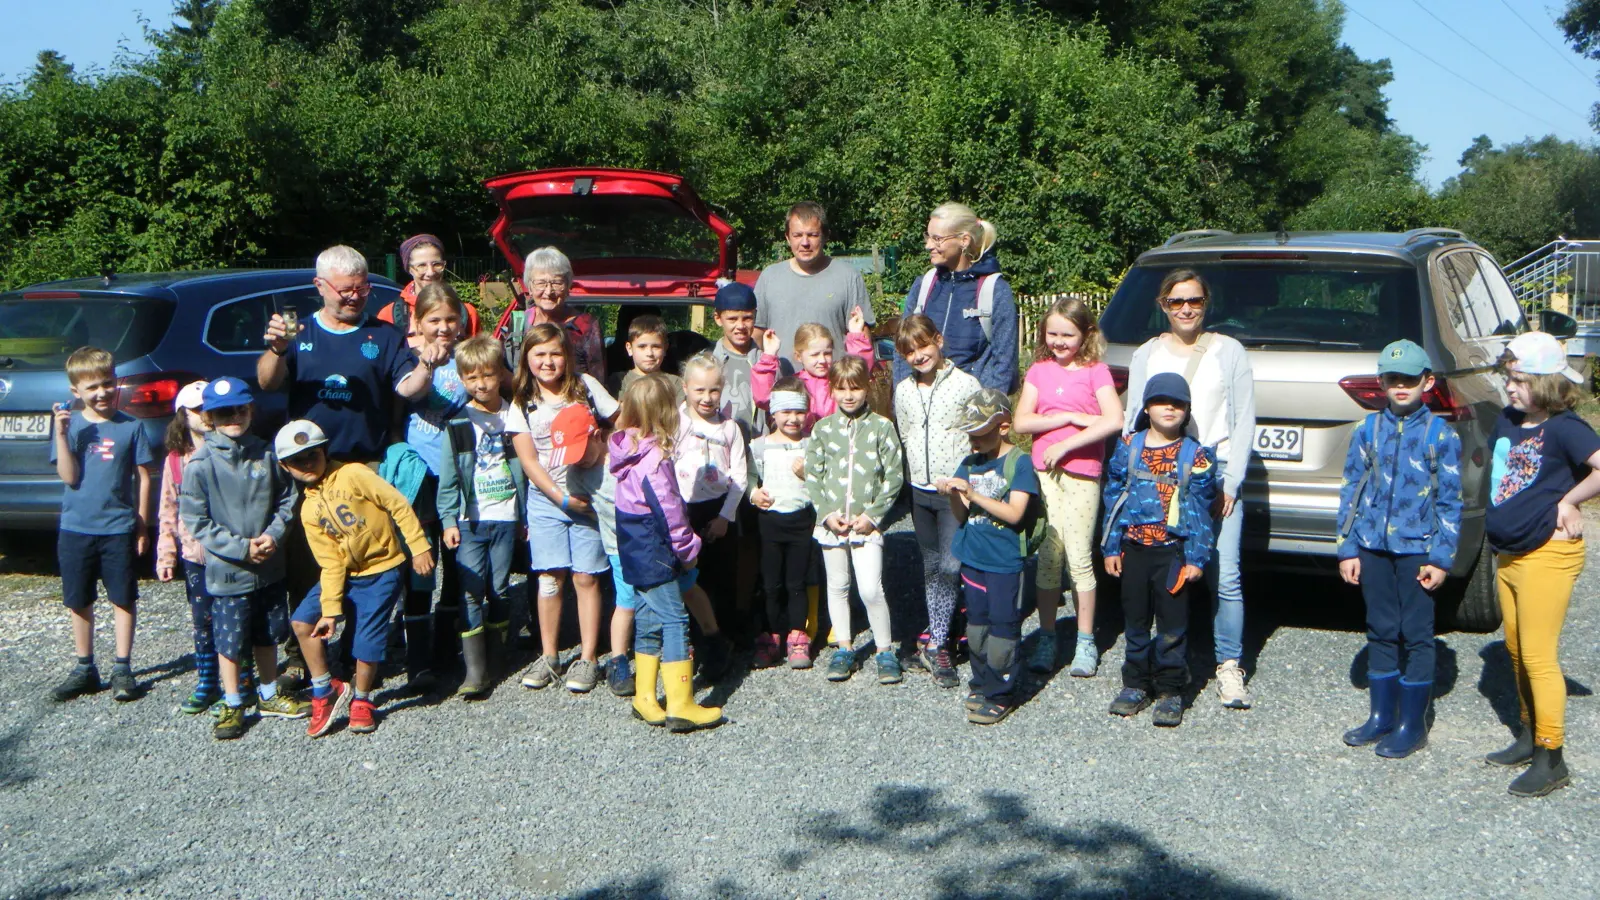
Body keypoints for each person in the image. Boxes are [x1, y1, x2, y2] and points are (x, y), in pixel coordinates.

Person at [1121, 269, 1256, 710]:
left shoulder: (1228, 351)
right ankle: (1153, 670)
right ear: (1163, 305)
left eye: (1194, 301)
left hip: (1212, 471)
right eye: (1176, 302)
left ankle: (1229, 665)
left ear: (1206, 303)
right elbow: (1132, 420)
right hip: (1159, 475)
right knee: (1159, 579)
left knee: (1226, 574)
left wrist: (1232, 481)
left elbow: (1243, 420)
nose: (1185, 309)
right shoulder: (1147, 353)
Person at [1480, 332, 1600, 797]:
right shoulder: (1510, 421)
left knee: (1538, 656)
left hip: (1548, 554)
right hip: (1509, 554)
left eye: (1521, 381)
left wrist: (1570, 501)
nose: (1511, 389)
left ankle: (1553, 758)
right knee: (1514, 649)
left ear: (1547, 383)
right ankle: (1530, 736)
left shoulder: (1567, 427)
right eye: (1509, 379)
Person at [1336, 340, 1463, 760]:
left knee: (1417, 633)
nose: (1401, 386)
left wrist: (1440, 557)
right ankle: (1381, 716)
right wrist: (1347, 547)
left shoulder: (1440, 435)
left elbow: (1449, 501)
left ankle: (1412, 723)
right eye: (1393, 379)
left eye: (1410, 379)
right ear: (1382, 383)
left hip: (1418, 550)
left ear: (1427, 382)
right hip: (1373, 546)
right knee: (1380, 627)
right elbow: (1351, 491)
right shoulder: (1367, 430)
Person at [278, 420, 435, 737]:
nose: (308, 463)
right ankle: (325, 690)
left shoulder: (353, 474)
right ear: (285, 466)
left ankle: (362, 700)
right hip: (345, 573)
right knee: (301, 623)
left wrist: (419, 547)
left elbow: (397, 504)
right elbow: (330, 562)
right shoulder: (308, 509)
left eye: (312, 454)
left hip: (382, 569)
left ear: (324, 451)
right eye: (298, 460)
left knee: (367, 641)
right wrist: (331, 610)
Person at [180, 378, 308, 740]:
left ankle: (268, 693)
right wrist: (240, 547)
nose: (234, 416)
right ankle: (233, 701)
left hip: (268, 567)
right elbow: (196, 520)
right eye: (223, 412)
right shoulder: (201, 464)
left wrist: (273, 535)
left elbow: (288, 500)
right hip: (228, 571)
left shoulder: (267, 454)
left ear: (251, 410)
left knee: (268, 634)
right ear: (209, 417)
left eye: (240, 409)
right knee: (231, 640)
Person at [1013, 297, 1123, 679]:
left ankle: (1085, 640)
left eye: (1068, 335)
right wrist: (1064, 418)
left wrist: (1068, 442)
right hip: (1045, 475)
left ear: (1085, 334)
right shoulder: (1040, 371)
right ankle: (1046, 635)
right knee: (1047, 556)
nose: (1059, 341)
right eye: (1053, 333)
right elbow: (1021, 422)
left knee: (1078, 558)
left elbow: (1113, 420)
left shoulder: (1096, 372)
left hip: (1081, 475)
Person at [505, 323, 619, 694]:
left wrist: (606, 450)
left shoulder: (585, 387)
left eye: (555, 353)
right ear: (527, 359)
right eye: (539, 354)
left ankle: (588, 658)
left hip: (588, 496)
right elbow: (529, 461)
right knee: (549, 578)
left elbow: (621, 423)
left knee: (586, 577)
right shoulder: (522, 401)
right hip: (548, 500)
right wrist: (559, 497)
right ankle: (550, 655)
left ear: (567, 356)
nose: (548, 361)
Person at [1102, 374, 1216, 728]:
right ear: (1147, 407)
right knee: (1135, 622)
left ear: (1187, 411)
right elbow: (1114, 500)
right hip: (1134, 550)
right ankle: (1135, 683)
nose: (1170, 408)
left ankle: (1170, 690)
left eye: (1178, 403)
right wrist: (1111, 547)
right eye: (1161, 401)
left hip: (1174, 554)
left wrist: (1196, 557)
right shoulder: (1128, 446)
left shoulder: (1195, 456)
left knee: (1172, 626)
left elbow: (1200, 510)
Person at [610, 374, 723, 732]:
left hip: (633, 551)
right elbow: (671, 514)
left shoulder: (625, 450)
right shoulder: (654, 460)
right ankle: (681, 702)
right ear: (666, 413)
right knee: (675, 620)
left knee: (648, 619)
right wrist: (689, 550)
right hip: (655, 551)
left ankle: (645, 697)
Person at [257, 244, 437, 463]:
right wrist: (277, 350)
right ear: (319, 285)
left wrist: (426, 365)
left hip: (367, 463)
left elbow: (410, 390)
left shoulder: (386, 335)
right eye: (345, 291)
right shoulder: (299, 334)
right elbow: (268, 384)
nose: (355, 297)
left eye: (362, 289)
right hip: (307, 462)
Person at [48, 346, 156, 703]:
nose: (102, 393)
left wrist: (142, 522)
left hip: (117, 526)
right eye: (92, 387)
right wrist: (61, 435)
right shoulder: (72, 426)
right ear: (76, 392)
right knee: (79, 598)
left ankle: (122, 667)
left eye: (107, 384)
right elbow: (69, 476)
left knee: (122, 596)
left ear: (116, 383)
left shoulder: (132, 426)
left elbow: (143, 476)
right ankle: (84, 667)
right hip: (77, 527)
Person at [892, 314, 981, 688]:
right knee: (930, 565)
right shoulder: (903, 390)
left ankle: (943, 637)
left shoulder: (965, 384)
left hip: (953, 492)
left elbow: (978, 435)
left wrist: (965, 477)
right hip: (920, 491)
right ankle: (939, 637)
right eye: (909, 351)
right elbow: (907, 432)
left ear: (939, 341)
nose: (918, 356)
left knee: (950, 564)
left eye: (923, 346)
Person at [942, 389, 1041, 725]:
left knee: (1002, 630)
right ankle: (982, 681)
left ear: (1003, 427)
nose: (973, 443)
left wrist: (973, 494)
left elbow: (1015, 514)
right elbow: (961, 514)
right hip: (973, 556)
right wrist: (956, 494)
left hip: (1003, 561)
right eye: (970, 435)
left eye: (980, 434)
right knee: (977, 628)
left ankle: (1001, 692)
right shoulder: (971, 462)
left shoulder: (1019, 463)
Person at [805, 355, 905, 684]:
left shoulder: (881, 427)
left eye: (856, 388)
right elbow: (813, 476)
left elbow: (894, 477)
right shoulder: (823, 429)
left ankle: (885, 650)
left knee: (870, 588)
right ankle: (845, 648)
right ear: (831, 390)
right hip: (832, 524)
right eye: (841, 388)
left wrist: (873, 516)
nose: (849, 396)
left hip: (867, 524)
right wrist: (827, 515)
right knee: (837, 586)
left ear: (867, 388)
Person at [437, 335, 527, 700]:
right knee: (471, 590)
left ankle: (496, 654)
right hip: (469, 520)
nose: (482, 384)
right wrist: (446, 520)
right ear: (462, 379)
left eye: (488, 375)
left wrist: (525, 516)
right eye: (472, 378)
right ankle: (474, 672)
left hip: (506, 515)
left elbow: (525, 468)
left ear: (499, 375)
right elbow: (448, 477)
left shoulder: (514, 415)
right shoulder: (458, 423)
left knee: (499, 587)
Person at [398, 283, 470, 692]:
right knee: (421, 564)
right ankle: (418, 659)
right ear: (419, 322)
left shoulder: (468, 357)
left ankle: (448, 651)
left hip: (458, 473)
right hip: (422, 475)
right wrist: (427, 363)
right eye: (434, 320)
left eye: (449, 319)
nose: (443, 327)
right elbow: (408, 392)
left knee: (456, 561)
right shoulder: (409, 358)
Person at [891, 202, 1018, 393]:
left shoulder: (994, 290)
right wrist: (904, 399)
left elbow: (1004, 362)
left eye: (937, 239)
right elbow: (902, 349)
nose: (928, 246)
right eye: (928, 237)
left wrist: (987, 410)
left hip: (973, 410)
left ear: (964, 240)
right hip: (924, 407)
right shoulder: (924, 285)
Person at [673, 353, 749, 663]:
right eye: (700, 390)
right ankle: (690, 641)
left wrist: (724, 517)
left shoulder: (729, 428)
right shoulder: (675, 423)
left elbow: (740, 477)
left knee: (722, 576)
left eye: (714, 390)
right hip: (682, 511)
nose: (707, 397)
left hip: (718, 511)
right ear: (686, 388)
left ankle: (724, 641)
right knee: (690, 580)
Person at [156, 380, 220, 714]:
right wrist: (166, 553)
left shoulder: (227, 450)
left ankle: (245, 679)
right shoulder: (176, 461)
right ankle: (208, 679)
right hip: (195, 555)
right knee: (203, 620)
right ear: (184, 415)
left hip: (228, 553)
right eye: (198, 410)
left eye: (210, 408)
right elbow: (168, 509)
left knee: (239, 617)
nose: (206, 416)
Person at [749, 377, 816, 669]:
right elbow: (748, 477)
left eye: (799, 412)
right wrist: (753, 493)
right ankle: (770, 635)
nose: (793, 418)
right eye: (786, 412)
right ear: (772, 413)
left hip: (802, 521)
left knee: (796, 582)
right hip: (770, 522)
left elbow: (823, 485)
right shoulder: (759, 446)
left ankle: (798, 636)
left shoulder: (812, 445)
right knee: (770, 583)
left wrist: (808, 474)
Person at [753, 201, 874, 355]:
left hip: (833, 377)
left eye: (812, 235)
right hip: (783, 378)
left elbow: (862, 336)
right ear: (788, 238)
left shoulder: (848, 277)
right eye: (797, 235)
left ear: (825, 236)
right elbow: (756, 334)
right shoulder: (769, 277)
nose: (805, 243)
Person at [752, 312, 874, 433]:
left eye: (827, 353)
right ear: (798, 356)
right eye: (814, 355)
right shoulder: (794, 385)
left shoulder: (839, 380)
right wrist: (769, 355)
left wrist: (856, 336)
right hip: (804, 444)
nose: (822, 360)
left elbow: (859, 371)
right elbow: (764, 399)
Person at [511, 246, 606, 382]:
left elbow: (599, 379)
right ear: (529, 288)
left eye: (556, 283)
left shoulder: (586, 326)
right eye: (541, 283)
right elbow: (506, 373)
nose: (549, 291)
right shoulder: (519, 323)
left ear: (568, 287)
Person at [377, 233, 482, 342]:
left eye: (437, 264)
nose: (430, 272)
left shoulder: (467, 313)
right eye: (421, 266)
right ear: (409, 269)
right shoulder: (390, 315)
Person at [711, 281, 777, 439]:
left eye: (747, 318)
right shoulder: (707, 363)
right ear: (718, 319)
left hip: (758, 447)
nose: (740, 326)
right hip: (720, 447)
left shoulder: (767, 362)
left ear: (755, 316)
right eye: (732, 319)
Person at [606, 313, 683, 399]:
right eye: (642, 346)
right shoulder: (618, 381)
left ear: (665, 348)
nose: (649, 353)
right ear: (629, 348)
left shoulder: (676, 383)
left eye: (656, 346)